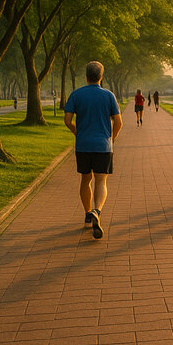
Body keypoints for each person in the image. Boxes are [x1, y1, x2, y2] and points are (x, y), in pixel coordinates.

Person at [63, 61, 123, 240]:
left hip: (83, 145)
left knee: (85, 179)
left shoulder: (76, 95)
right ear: (101, 77)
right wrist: (112, 138)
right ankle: (98, 210)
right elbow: (118, 122)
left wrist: (78, 132)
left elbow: (67, 120)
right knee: (101, 180)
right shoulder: (109, 95)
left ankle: (88, 213)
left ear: (86, 76)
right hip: (103, 146)